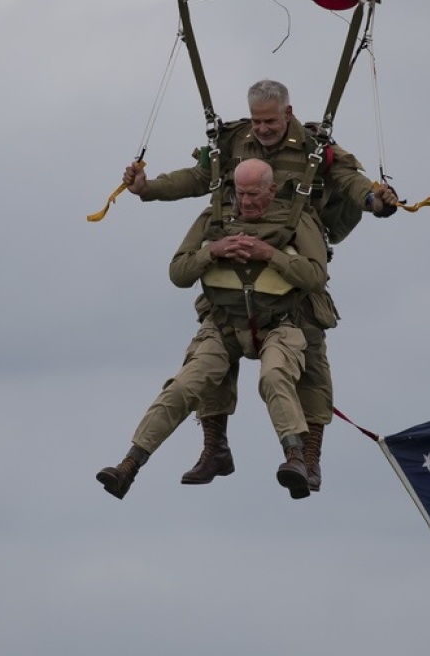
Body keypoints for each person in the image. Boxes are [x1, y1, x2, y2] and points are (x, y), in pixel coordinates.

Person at [120, 79, 398, 493]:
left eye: (270, 120)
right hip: (234, 281)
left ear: (287, 112)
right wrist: (148, 189)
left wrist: (376, 202)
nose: (263, 128)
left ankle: (307, 460)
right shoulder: (235, 143)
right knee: (207, 360)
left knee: (307, 371)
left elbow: (349, 181)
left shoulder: (314, 148)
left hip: (293, 268)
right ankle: (213, 449)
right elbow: (199, 177)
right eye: (257, 120)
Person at [97, 158, 329, 500]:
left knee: (275, 375)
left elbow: (315, 276)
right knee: (183, 386)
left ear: (272, 189)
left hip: (280, 323)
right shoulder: (214, 218)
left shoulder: (297, 220)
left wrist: (270, 254)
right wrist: (214, 251)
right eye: (240, 194)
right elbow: (179, 273)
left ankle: (296, 459)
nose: (247, 202)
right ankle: (129, 465)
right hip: (223, 324)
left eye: (254, 194)